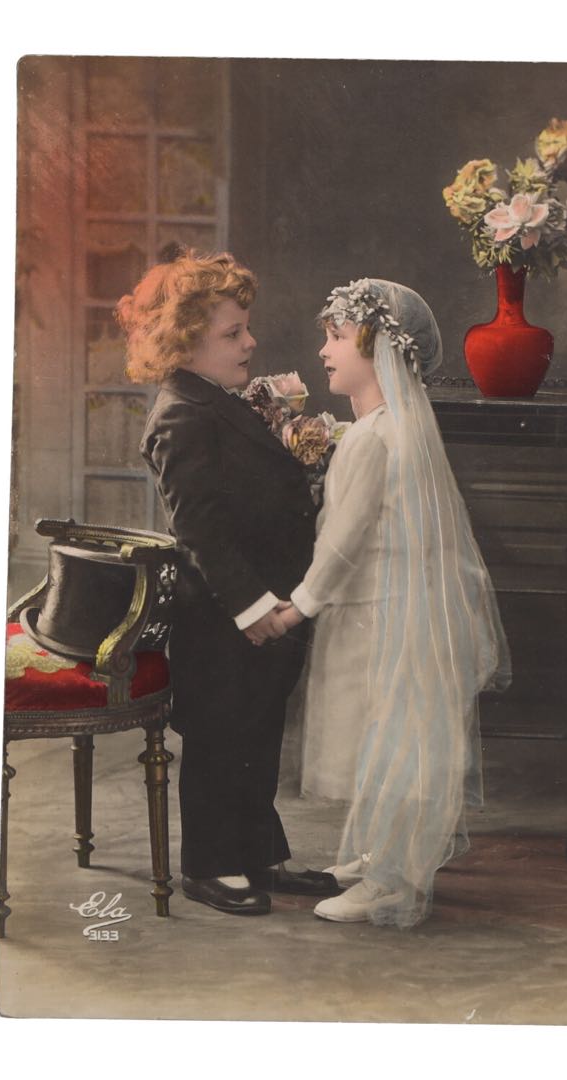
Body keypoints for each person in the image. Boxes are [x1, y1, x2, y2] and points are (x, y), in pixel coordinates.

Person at [275, 279, 512, 926]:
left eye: (336, 337)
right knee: (387, 738)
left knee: (387, 740)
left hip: (381, 613)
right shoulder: (390, 427)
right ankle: (378, 855)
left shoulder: (372, 437)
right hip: (392, 606)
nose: (323, 350)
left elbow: (343, 541)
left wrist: (298, 605)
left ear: (377, 347)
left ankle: (391, 880)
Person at [118, 250, 340, 916]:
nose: (249, 342)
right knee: (221, 738)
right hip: (224, 614)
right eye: (233, 333)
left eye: (246, 328)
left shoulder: (218, 401)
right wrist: (252, 607)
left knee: (257, 734)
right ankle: (210, 865)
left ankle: (258, 854)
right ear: (184, 343)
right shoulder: (181, 414)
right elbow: (200, 529)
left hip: (267, 602)